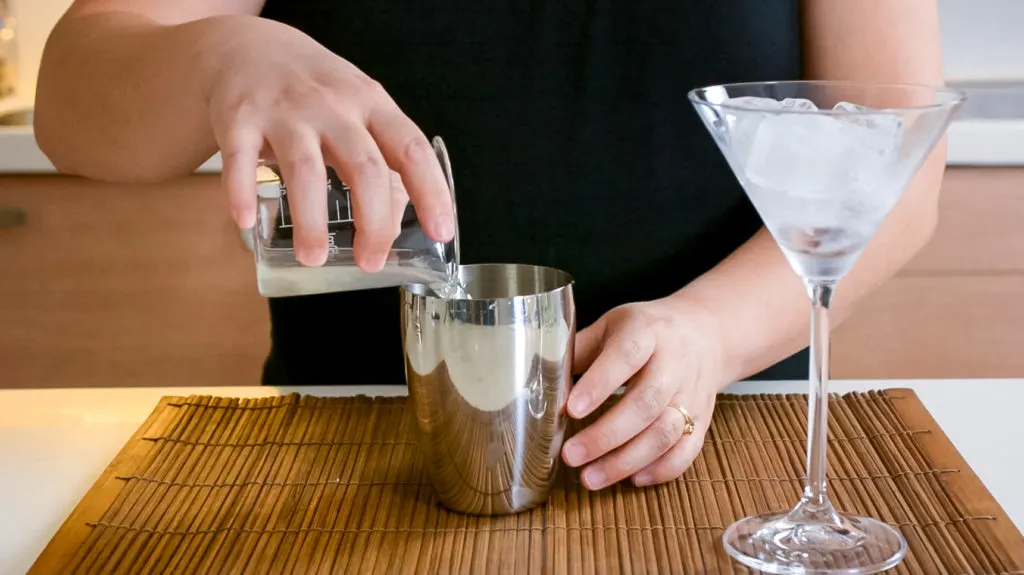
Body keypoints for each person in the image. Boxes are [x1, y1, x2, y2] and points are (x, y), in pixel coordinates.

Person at [34, 0, 947, 491]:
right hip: (343, 461)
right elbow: (70, 104)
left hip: (720, 451)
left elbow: (899, 167)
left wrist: (708, 333)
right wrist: (220, 53)